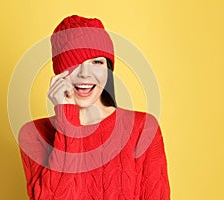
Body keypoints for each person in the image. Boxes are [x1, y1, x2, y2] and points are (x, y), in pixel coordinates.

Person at [18, 14, 170, 200]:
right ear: (59, 74)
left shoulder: (143, 128)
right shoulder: (33, 134)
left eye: (96, 62)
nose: (85, 74)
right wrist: (67, 120)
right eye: (74, 64)